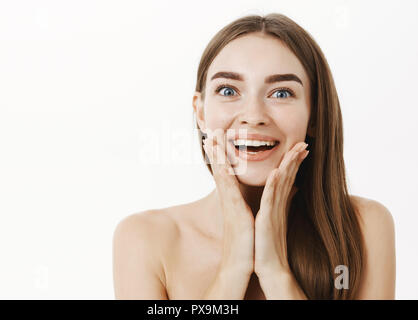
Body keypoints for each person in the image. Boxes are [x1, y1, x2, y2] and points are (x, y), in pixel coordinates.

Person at [113, 13, 395, 300]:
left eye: (282, 93)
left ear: (315, 114)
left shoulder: (363, 227)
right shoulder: (145, 239)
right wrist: (233, 268)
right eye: (228, 90)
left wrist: (276, 273)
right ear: (200, 112)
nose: (253, 116)